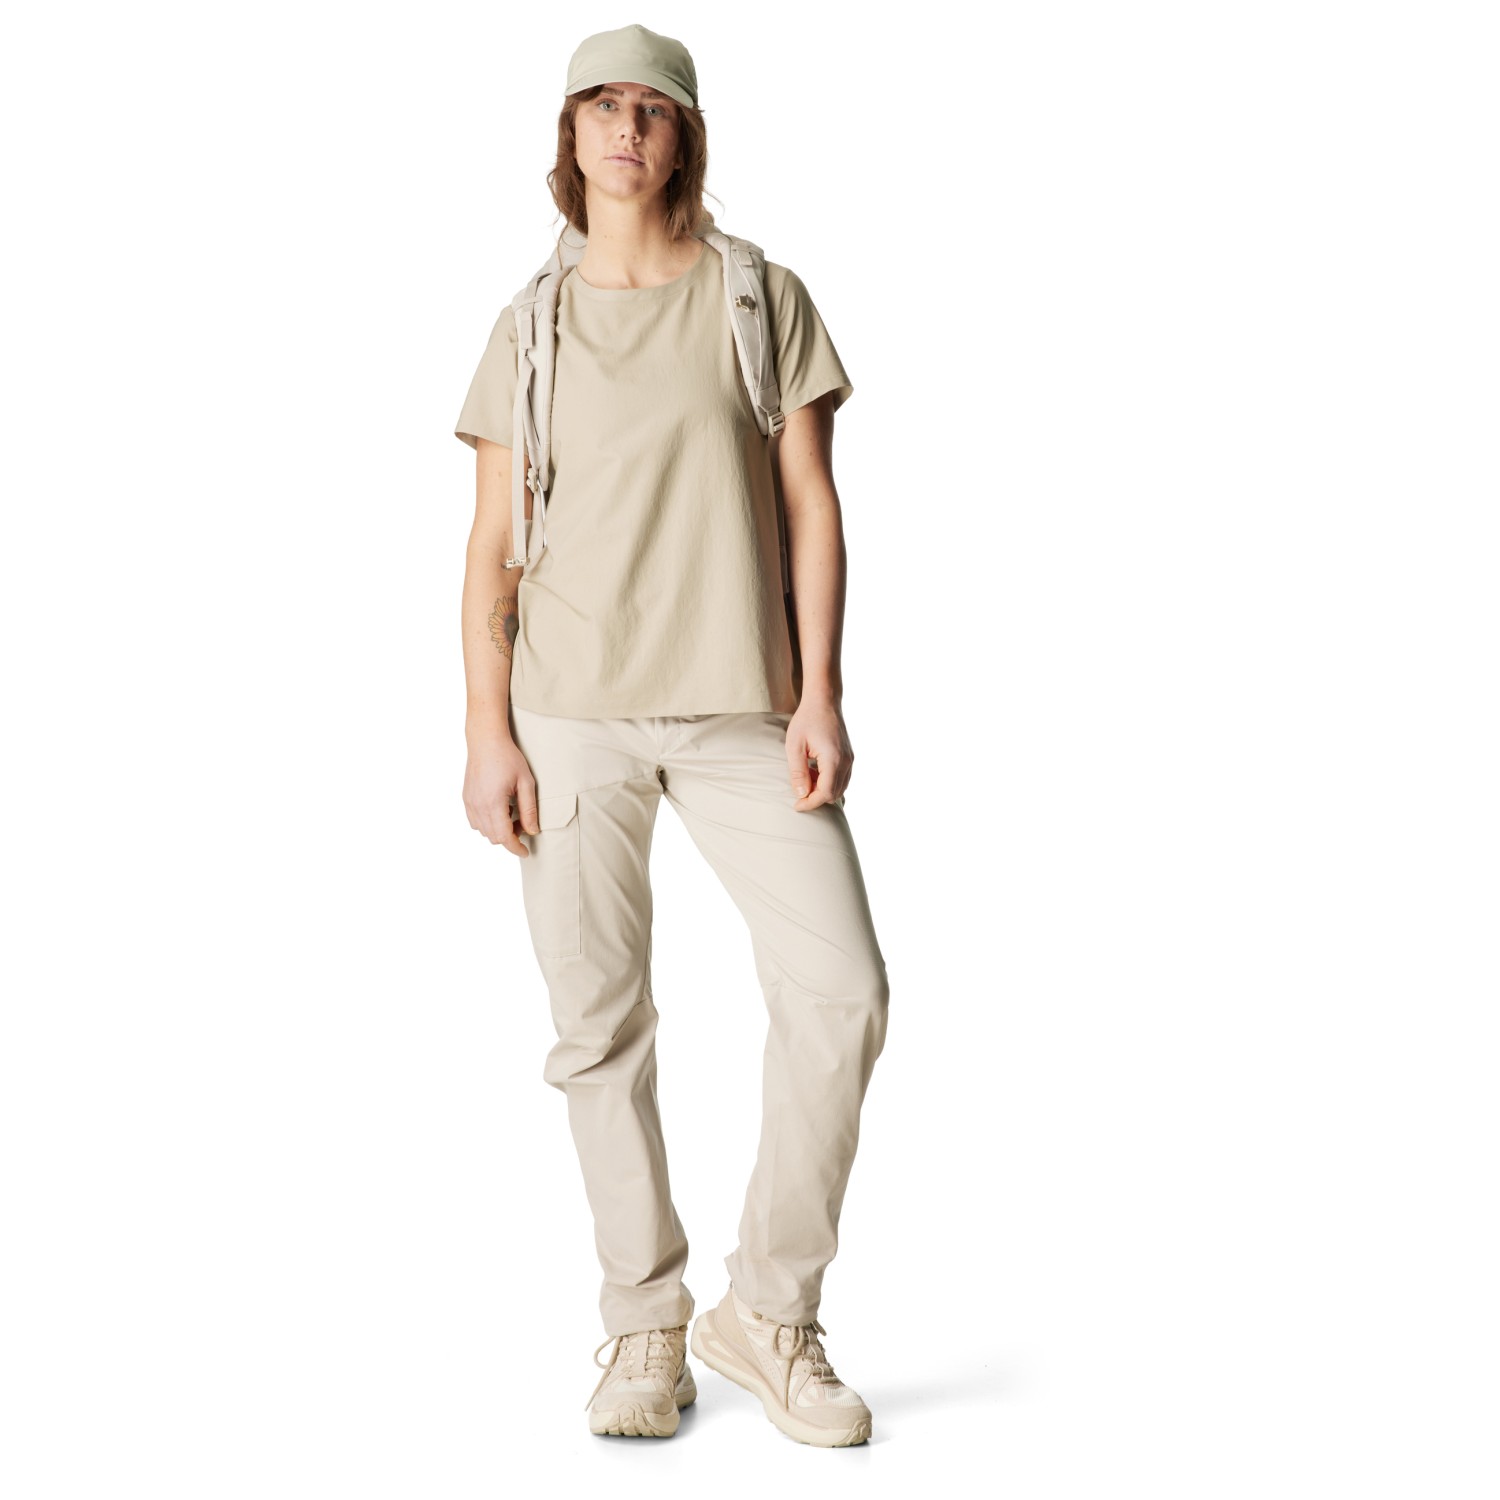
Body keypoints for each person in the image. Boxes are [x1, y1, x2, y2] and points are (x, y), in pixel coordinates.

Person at [453, 24, 888, 1449]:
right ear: (569, 136)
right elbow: (491, 547)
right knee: (599, 1028)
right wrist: (486, 731)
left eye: (653, 108)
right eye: (602, 106)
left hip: (744, 706)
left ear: (684, 136)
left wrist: (821, 692)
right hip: (567, 712)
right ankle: (645, 1322)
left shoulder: (759, 297)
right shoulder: (529, 327)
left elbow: (812, 504)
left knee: (842, 993)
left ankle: (767, 1312)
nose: (627, 129)